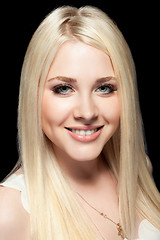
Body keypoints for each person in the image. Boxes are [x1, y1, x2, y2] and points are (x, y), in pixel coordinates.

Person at [0, 6, 159, 240]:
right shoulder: (9, 212)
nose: (87, 112)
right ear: (32, 97)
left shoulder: (139, 169)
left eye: (104, 88)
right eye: (63, 88)